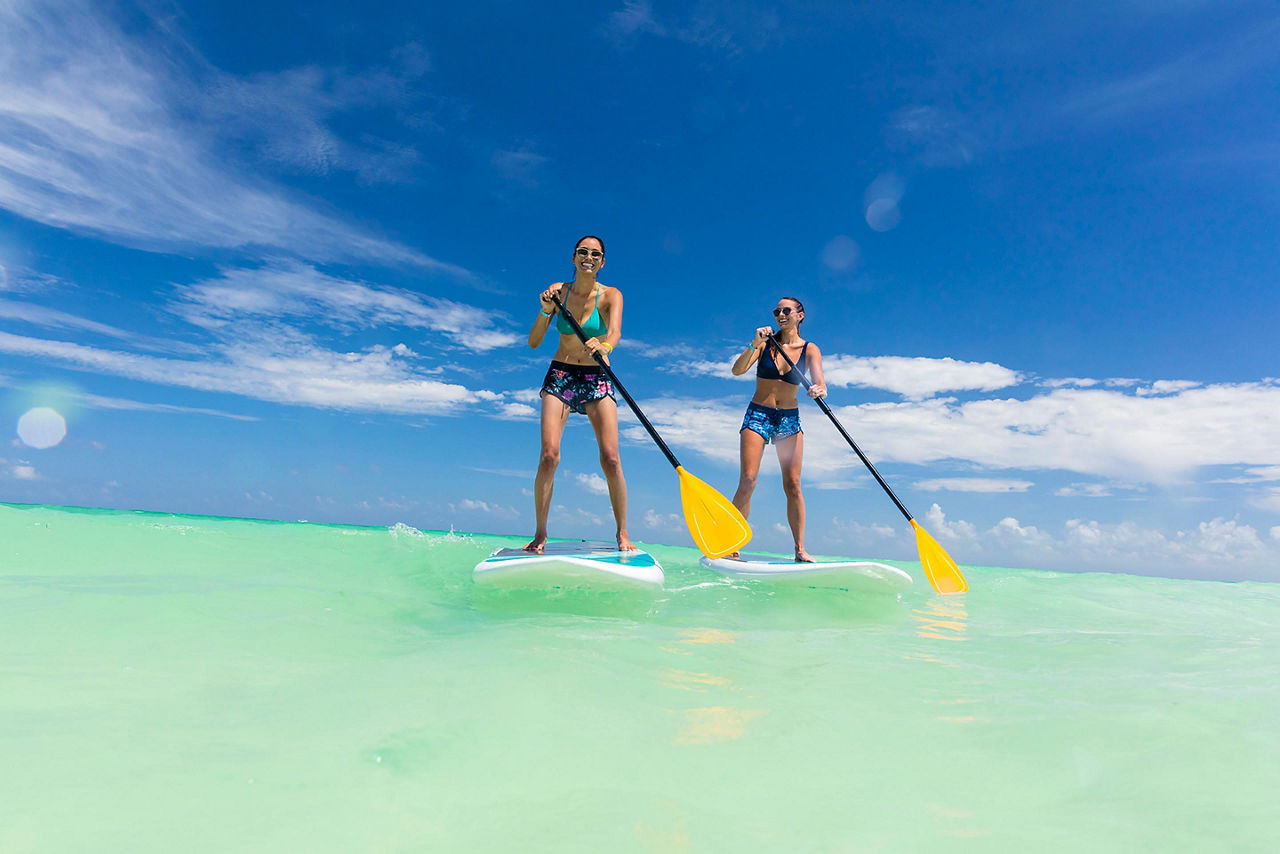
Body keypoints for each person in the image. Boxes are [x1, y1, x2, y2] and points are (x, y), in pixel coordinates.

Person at [524, 235, 634, 553]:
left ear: (602, 262)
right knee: (549, 456)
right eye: (583, 252)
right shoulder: (558, 291)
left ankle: (622, 533)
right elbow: (534, 341)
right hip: (561, 374)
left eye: (595, 254)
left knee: (611, 459)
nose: (589, 257)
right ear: (573, 257)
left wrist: (605, 345)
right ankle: (541, 534)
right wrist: (545, 310)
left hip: (596, 375)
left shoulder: (612, 295)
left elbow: (614, 332)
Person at [729, 297, 827, 561]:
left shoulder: (810, 349)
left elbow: (820, 382)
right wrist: (755, 343)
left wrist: (819, 389)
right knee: (748, 479)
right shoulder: (765, 345)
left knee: (793, 484)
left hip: (788, 419)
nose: (780, 315)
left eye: (786, 310)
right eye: (776, 311)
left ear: (800, 315)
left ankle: (799, 549)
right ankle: (731, 543)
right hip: (758, 414)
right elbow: (737, 371)